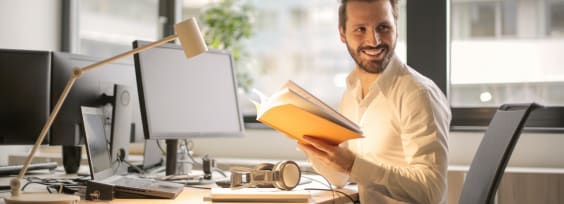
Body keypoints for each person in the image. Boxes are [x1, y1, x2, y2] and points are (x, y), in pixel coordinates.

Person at [297, 0, 451, 203]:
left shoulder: (418, 94)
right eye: (360, 29)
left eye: (383, 28)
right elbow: (341, 178)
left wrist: (353, 164)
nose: (374, 40)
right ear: (342, 34)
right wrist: (316, 148)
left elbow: (431, 190)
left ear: (396, 28)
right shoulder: (352, 91)